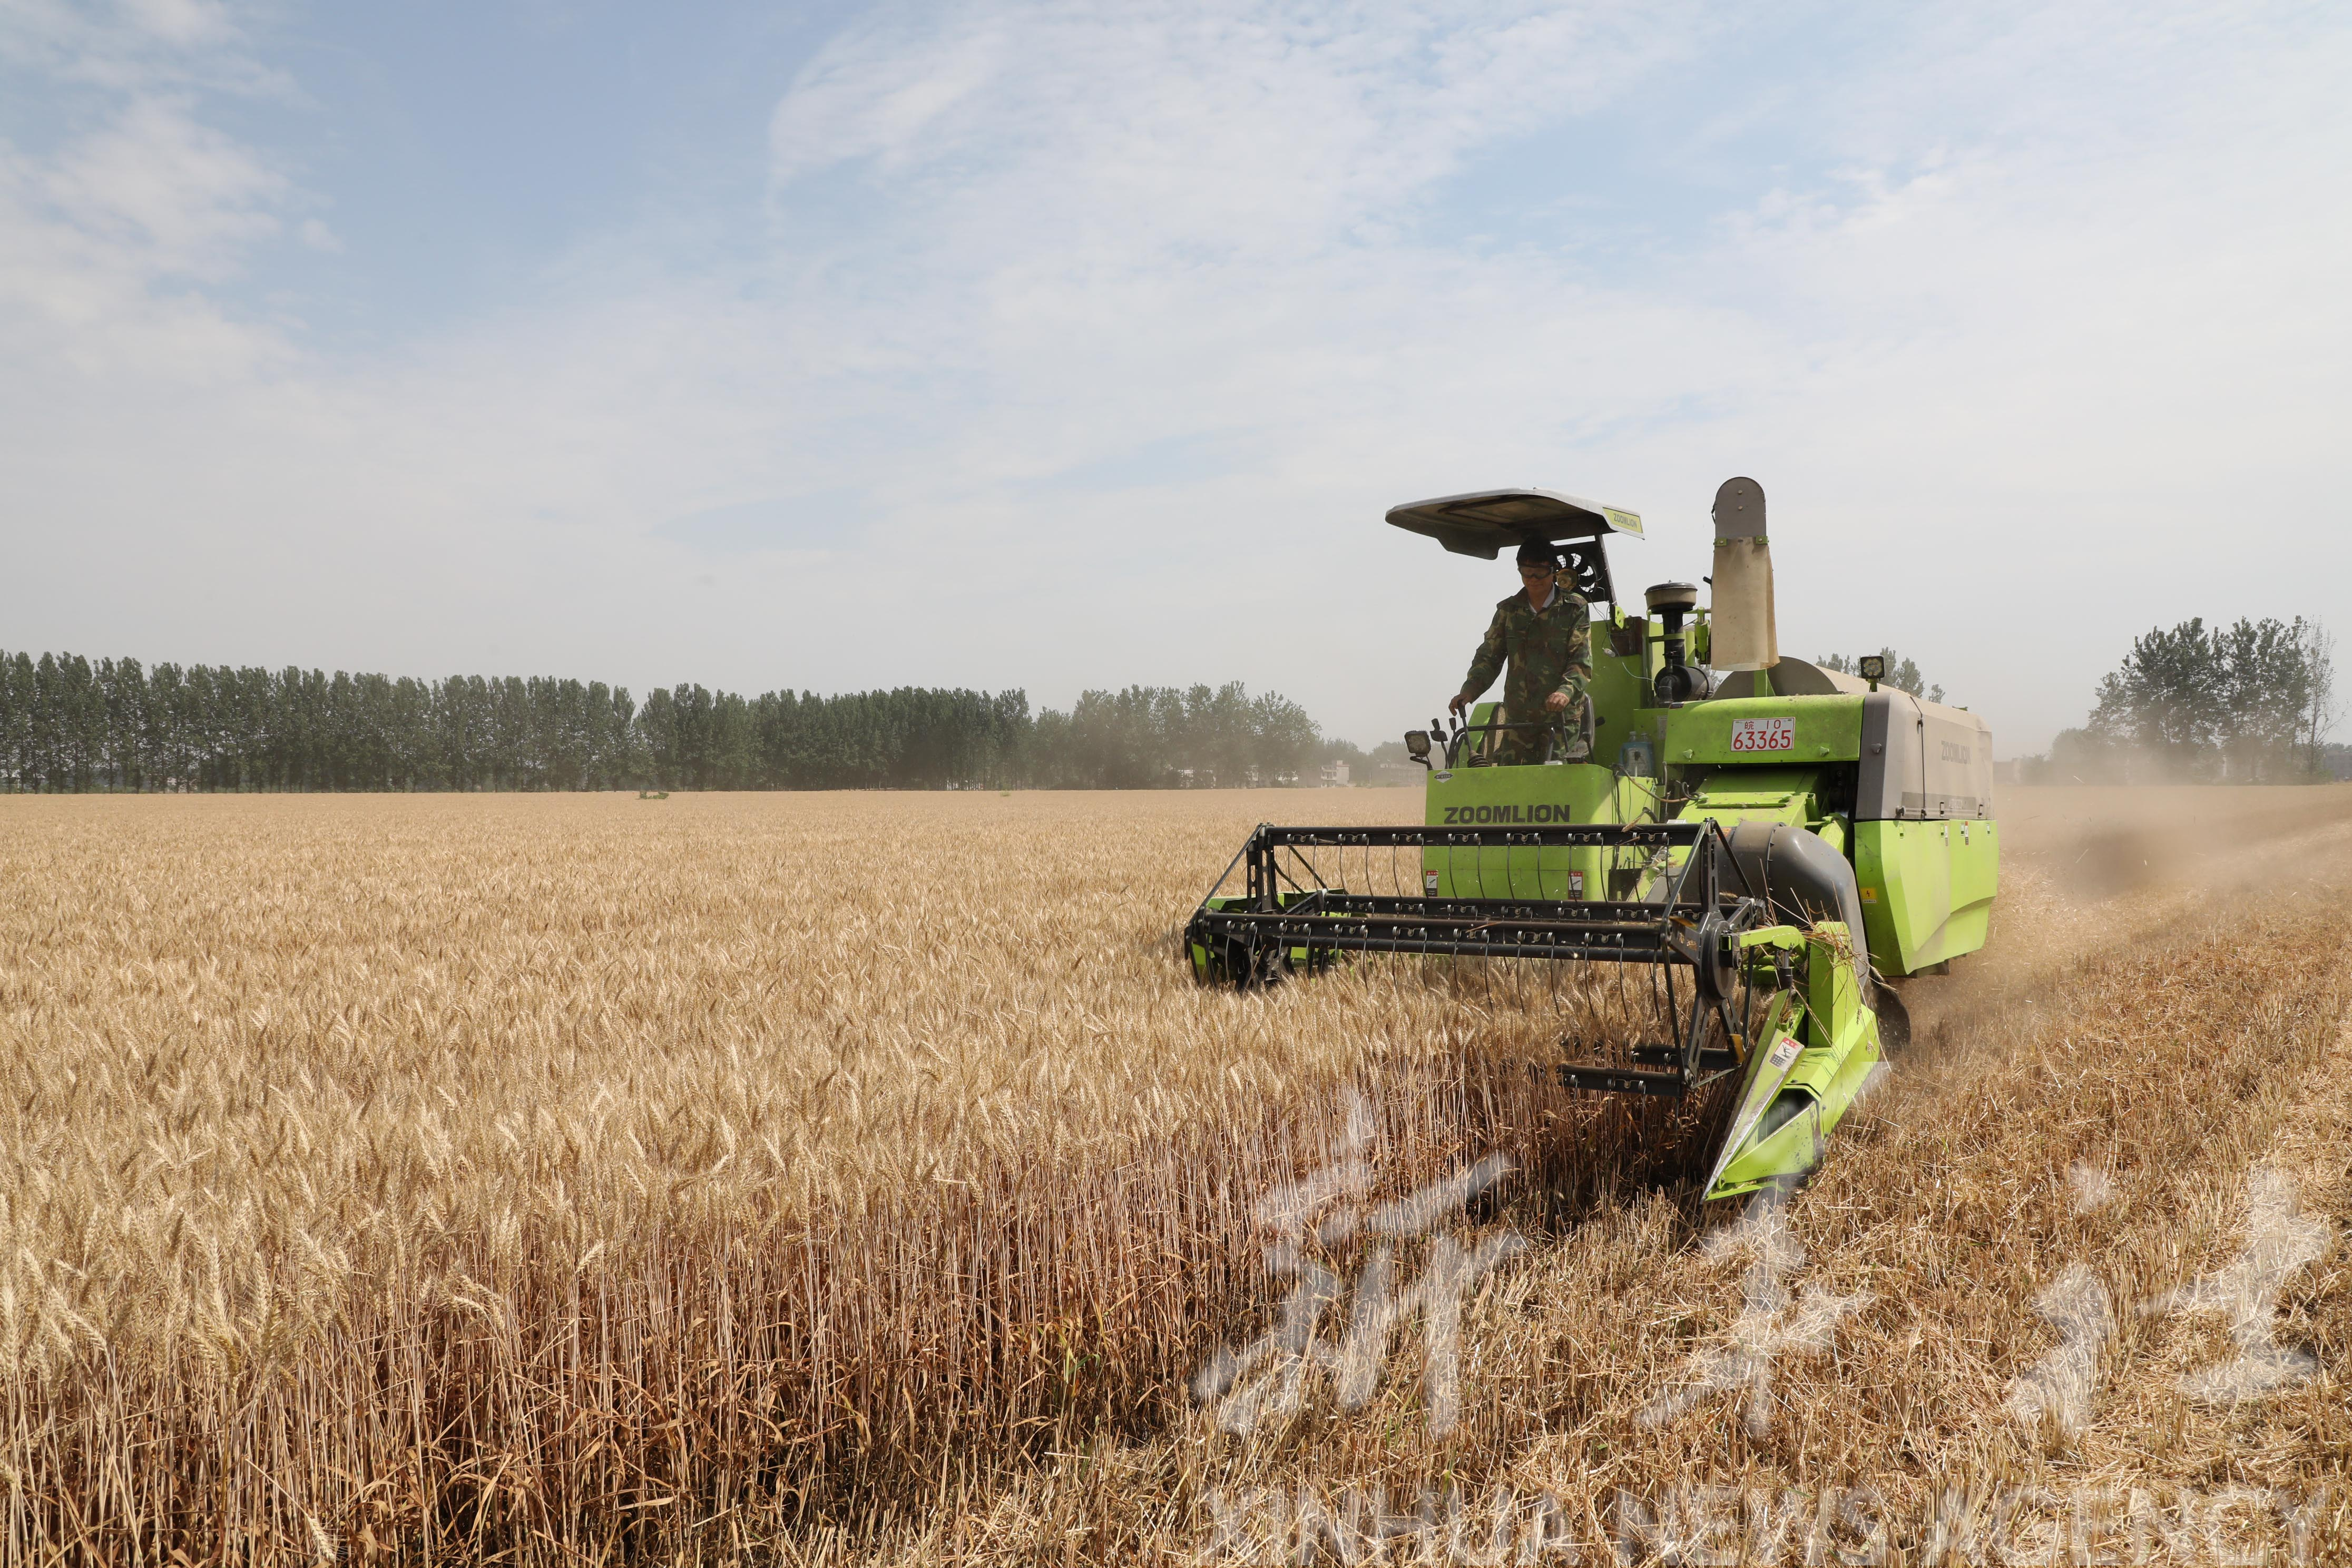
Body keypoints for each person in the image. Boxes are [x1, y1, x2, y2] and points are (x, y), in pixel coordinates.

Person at [1448, 537, 1591, 765]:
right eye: (1526, 573)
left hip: (1560, 720)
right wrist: (1470, 690)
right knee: (1511, 784)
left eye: (1540, 573)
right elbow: (1489, 656)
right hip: (1519, 719)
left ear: (1554, 571)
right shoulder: (1509, 611)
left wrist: (1565, 692)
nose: (1533, 580)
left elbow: (1581, 662)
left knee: (1558, 784)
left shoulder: (1574, 608)